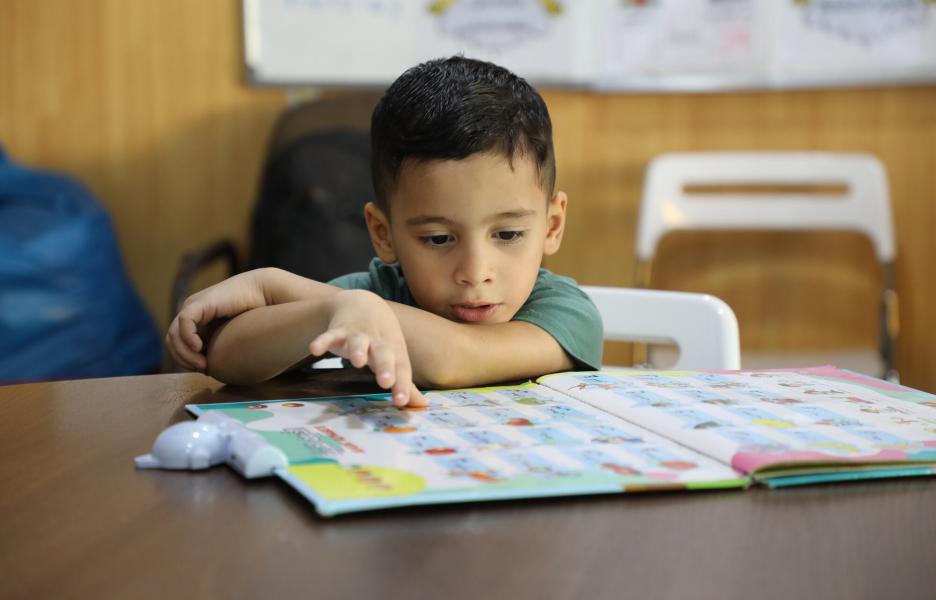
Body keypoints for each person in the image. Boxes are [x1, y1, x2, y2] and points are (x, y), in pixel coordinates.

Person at [166, 56, 602, 408]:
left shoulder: (566, 314)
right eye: (438, 239)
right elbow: (223, 358)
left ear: (553, 224)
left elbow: (455, 357)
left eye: (507, 235)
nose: (475, 272)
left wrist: (274, 285)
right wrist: (333, 310)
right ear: (383, 232)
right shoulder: (370, 295)